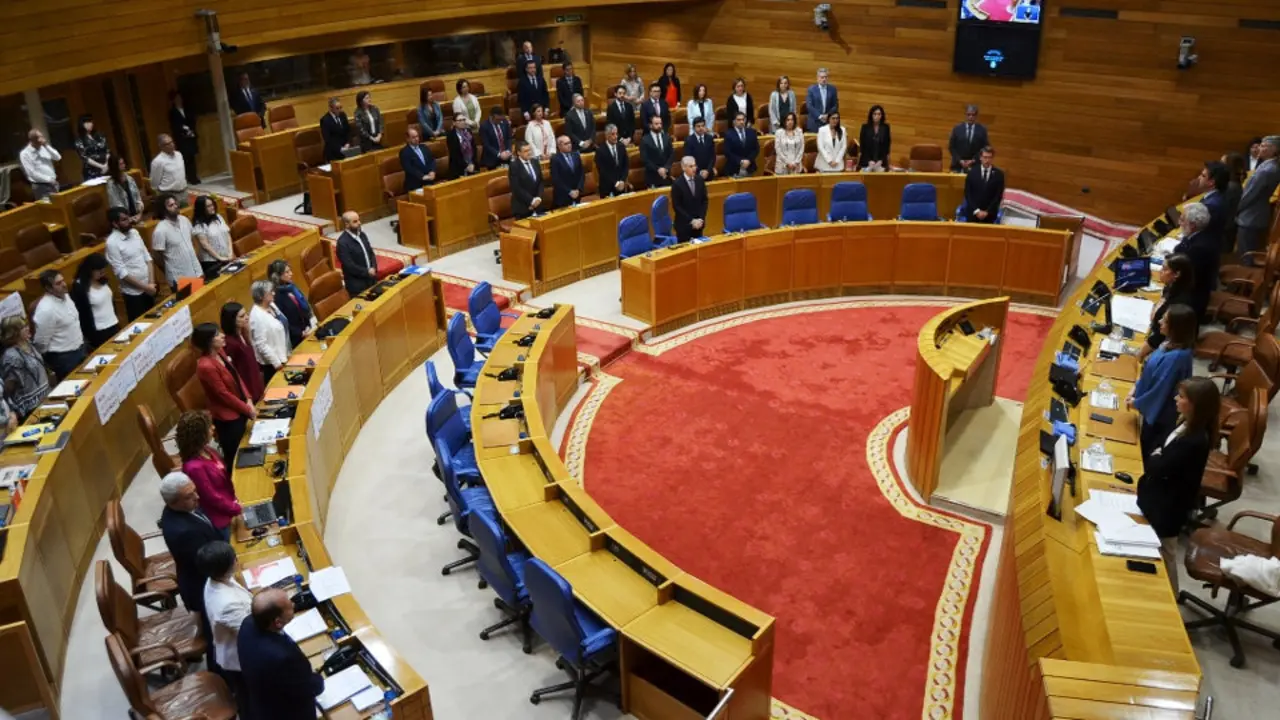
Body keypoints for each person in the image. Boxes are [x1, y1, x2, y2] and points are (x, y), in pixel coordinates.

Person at [1136, 377, 1219, 593]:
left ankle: (1172, 596)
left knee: (1167, 552)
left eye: (1181, 397)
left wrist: (1156, 457)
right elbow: (1159, 449)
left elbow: (1159, 465)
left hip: (1169, 508)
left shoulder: (1195, 440)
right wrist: (1158, 456)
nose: (1175, 399)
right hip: (1159, 496)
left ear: (1195, 405)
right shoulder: (1184, 423)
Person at [238, 588, 326, 720]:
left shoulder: (248, 623)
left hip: (261, 701)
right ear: (277, 622)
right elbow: (308, 687)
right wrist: (319, 680)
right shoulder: (283, 658)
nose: (294, 605)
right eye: (289, 606)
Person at [1128, 304, 1195, 457]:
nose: (1159, 322)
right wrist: (1136, 388)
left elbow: (1159, 389)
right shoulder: (1167, 344)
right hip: (1152, 408)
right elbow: (1150, 373)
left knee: (1145, 452)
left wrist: (1137, 402)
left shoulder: (1176, 357)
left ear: (1175, 328)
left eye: (1164, 321)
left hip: (1161, 417)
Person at [158, 471, 223, 614]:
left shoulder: (183, 507)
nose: (197, 497)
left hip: (211, 560)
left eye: (195, 491)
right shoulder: (184, 533)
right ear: (172, 502)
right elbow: (210, 564)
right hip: (206, 588)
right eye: (189, 496)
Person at [197, 541, 252, 706]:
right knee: (249, 699)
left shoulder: (215, 578)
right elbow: (249, 632)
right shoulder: (226, 604)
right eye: (234, 558)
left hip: (236, 645)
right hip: (240, 659)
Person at [192, 322, 255, 459]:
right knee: (239, 457)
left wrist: (248, 398)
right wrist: (246, 408)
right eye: (217, 335)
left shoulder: (220, 351)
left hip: (240, 404)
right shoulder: (205, 366)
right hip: (228, 418)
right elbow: (223, 395)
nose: (222, 335)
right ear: (208, 341)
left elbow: (235, 375)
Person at [177, 410, 241, 538]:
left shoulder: (207, 450)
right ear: (199, 434)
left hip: (231, 503)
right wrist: (236, 508)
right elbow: (212, 497)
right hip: (221, 520)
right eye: (209, 426)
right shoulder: (194, 468)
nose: (213, 427)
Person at [1140, 253, 1195, 362]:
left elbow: (1160, 337)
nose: (1160, 271)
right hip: (1154, 335)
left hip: (1162, 348)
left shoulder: (1180, 302)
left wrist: (1139, 354)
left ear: (1177, 274)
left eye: (1165, 269)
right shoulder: (1172, 286)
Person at [31, 270, 86, 380]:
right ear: (48, 288)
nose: (64, 284)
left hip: (80, 349)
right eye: (58, 283)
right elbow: (41, 342)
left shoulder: (66, 296)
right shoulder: (46, 309)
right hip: (64, 358)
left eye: (63, 280)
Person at [105, 208, 157, 320]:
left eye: (128, 217)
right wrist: (146, 287)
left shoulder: (135, 232)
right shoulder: (112, 243)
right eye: (124, 219)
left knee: (154, 320)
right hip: (133, 293)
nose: (129, 220)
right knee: (140, 324)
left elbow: (147, 258)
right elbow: (122, 273)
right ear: (115, 224)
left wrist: (151, 283)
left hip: (149, 286)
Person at [1235, 135, 1280, 259]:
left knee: (1246, 255)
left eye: (1264, 146)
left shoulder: (1267, 170)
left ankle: (1246, 276)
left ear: (1274, 150)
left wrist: (1236, 209)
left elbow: (1250, 195)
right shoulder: (1269, 166)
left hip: (1251, 216)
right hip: (1257, 214)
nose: (1260, 148)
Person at [0, 316, 51, 419]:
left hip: (45, 399)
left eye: (27, 325)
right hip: (31, 409)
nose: (28, 328)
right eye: (23, 327)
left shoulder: (28, 344)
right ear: (13, 333)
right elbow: (9, 389)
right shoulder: (11, 356)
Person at [1172, 202, 1216, 318]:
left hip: (1190, 302)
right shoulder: (1202, 235)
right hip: (1196, 291)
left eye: (1182, 220)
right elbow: (1179, 248)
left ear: (1192, 225)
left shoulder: (1198, 249)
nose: (1179, 223)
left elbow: (1182, 277)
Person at [151, 193, 202, 290]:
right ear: (163, 210)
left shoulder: (184, 220)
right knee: (187, 303)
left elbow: (191, 241)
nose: (175, 206)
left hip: (196, 270)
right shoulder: (160, 230)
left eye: (175, 203)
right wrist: (169, 270)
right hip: (179, 277)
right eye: (171, 205)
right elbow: (157, 256)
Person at [69, 254, 119, 350]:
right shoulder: (79, 287)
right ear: (89, 269)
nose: (102, 272)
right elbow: (81, 313)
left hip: (114, 324)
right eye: (99, 270)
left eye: (103, 269)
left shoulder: (103, 280)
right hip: (98, 332)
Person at [220, 302, 264, 403]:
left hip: (257, 386)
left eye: (246, 314)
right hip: (248, 393)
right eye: (242, 316)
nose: (247, 317)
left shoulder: (242, 334)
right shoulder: (230, 344)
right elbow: (234, 374)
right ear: (232, 320)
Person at [249, 280, 291, 384]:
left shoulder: (271, 304)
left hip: (284, 354)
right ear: (261, 296)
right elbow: (261, 345)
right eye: (270, 292)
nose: (273, 293)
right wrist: (276, 363)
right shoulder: (257, 317)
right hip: (273, 365)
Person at [268, 260, 316, 349]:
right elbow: (282, 321)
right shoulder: (275, 296)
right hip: (295, 338)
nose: (291, 273)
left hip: (307, 329)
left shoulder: (291, 286)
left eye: (290, 270)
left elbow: (303, 307)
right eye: (287, 272)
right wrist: (300, 333)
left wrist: (308, 326)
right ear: (277, 277)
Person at [192, 195, 234, 279]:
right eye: (208, 206)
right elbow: (205, 245)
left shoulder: (218, 217)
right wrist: (220, 258)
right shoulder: (199, 225)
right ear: (201, 209)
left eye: (212, 205)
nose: (212, 207)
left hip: (226, 256)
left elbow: (227, 234)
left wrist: (230, 251)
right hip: (212, 262)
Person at [337, 211, 379, 295]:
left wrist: (374, 267)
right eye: (355, 221)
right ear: (347, 224)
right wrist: (367, 271)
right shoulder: (342, 243)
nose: (359, 223)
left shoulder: (362, 234)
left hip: (371, 278)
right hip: (357, 284)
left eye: (359, 220)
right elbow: (349, 266)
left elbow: (371, 253)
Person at [963, 146, 1004, 223]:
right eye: (985, 157)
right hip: (973, 213)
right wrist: (976, 210)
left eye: (989, 157)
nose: (987, 160)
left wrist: (987, 211)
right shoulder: (972, 173)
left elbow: (998, 196)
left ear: (992, 159)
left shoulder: (999, 175)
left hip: (990, 215)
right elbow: (968, 194)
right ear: (980, 158)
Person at [671, 157, 708, 243]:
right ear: (683, 167)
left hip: (699, 225)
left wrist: (701, 219)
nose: (694, 169)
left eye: (695, 166)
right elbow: (677, 207)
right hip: (684, 226)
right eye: (691, 166)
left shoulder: (700, 180)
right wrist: (691, 220)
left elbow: (704, 201)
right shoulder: (677, 184)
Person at [169, 92, 200, 185]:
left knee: (192, 157)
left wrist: (191, 130)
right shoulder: (172, 112)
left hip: (191, 136)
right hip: (182, 138)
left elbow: (192, 120)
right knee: (185, 158)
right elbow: (175, 125)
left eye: (180, 98)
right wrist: (184, 130)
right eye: (177, 98)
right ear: (174, 100)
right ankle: (189, 177)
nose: (179, 100)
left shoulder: (187, 109)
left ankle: (194, 176)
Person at [19, 129, 60, 200]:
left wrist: (46, 146)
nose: (43, 139)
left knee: (58, 206)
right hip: (41, 186)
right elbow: (32, 173)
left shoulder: (44, 147)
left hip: (53, 184)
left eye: (42, 137)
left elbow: (58, 157)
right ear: (33, 140)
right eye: (40, 137)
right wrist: (49, 180)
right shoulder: (25, 153)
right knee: (48, 209)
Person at [508, 141, 545, 219]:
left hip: (538, 205)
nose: (529, 153)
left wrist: (538, 198)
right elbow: (517, 188)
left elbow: (540, 181)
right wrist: (531, 201)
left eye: (530, 150)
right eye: (525, 151)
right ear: (518, 153)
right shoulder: (514, 166)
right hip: (523, 207)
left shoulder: (535, 161)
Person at [948, 104, 989, 172]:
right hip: (957, 165)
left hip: (975, 165)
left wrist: (973, 160)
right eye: (968, 114)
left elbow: (984, 148)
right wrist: (960, 160)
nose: (970, 117)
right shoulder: (957, 129)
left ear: (976, 116)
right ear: (965, 115)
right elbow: (952, 147)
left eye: (973, 115)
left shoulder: (982, 130)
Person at [105, 154, 143, 224]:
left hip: (136, 216)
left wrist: (139, 214)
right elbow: (116, 205)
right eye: (120, 164)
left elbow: (138, 198)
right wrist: (128, 219)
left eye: (123, 163)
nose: (123, 166)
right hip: (123, 221)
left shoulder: (130, 179)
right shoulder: (111, 184)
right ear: (114, 167)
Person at [149, 135, 187, 203]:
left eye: (172, 142)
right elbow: (154, 182)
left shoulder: (179, 154)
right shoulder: (158, 161)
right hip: (169, 195)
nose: (172, 145)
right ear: (161, 146)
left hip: (183, 192)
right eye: (168, 144)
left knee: (186, 212)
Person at [595, 124, 630, 197]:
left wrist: (622, 181)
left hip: (621, 186)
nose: (616, 136)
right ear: (607, 136)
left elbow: (626, 165)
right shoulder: (600, 151)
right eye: (613, 134)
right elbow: (603, 171)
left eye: (616, 134)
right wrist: (616, 183)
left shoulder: (621, 147)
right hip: (607, 188)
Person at [550, 135, 584, 210]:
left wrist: (578, 189)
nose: (569, 145)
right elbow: (556, 179)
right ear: (559, 146)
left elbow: (581, 174)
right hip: (563, 197)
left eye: (569, 143)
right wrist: (569, 192)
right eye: (566, 144)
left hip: (577, 194)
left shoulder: (576, 155)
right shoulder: (555, 159)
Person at [399, 127, 437, 193]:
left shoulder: (424, 147)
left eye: (417, 136)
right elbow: (409, 168)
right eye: (413, 137)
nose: (416, 139)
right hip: (415, 184)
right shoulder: (404, 152)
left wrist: (432, 171)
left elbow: (432, 160)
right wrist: (422, 176)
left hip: (429, 182)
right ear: (408, 139)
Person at [640, 114, 674, 188]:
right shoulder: (645, 140)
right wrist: (658, 169)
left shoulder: (667, 137)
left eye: (660, 123)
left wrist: (666, 168)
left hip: (666, 175)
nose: (659, 126)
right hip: (652, 176)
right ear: (650, 125)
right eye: (656, 124)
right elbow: (645, 159)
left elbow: (671, 154)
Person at [724, 113, 760, 178]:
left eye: (743, 120)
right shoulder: (728, 134)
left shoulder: (751, 132)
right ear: (734, 121)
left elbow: (756, 149)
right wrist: (740, 161)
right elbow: (727, 152)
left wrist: (749, 160)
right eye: (739, 120)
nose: (741, 122)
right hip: (734, 168)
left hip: (750, 167)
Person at [74, 114, 109, 182]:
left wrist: (106, 164)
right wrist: (101, 167)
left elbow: (107, 150)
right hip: (91, 170)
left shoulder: (100, 135)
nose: (90, 124)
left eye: (91, 122)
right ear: (82, 124)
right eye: (87, 122)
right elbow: (85, 157)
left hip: (107, 167)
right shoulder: (79, 140)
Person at [805, 68, 839, 133]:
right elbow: (809, 106)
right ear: (817, 78)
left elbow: (835, 105)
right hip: (814, 122)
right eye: (822, 77)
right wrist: (820, 116)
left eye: (826, 77)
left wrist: (828, 115)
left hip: (828, 121)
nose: (824, 79)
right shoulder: (811, 89)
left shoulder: (832, 89)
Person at [858, 105, 891, 171]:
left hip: (880, 163)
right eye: (875, 114)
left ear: (882, 116)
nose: (877, 116)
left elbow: (886, 147)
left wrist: (881, 161)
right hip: (866, 162)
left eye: (879, 114)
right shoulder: (865, 127)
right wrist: (869, 161)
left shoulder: (886, 127)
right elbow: (863, 147)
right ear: (871, 115)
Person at [320, 97, 352, 162]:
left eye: (341, 107)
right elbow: (328, 139)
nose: (340, 110)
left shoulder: (343, 115)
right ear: (331, 108)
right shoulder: (325, 120)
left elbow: (348, 131)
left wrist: (348, 143)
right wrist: (340, 148)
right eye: (337, 108)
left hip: (346, 148)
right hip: (333, 152)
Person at [446, 113, 477, 177]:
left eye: (464, 120)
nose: (463, 122)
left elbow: (474, 149)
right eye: (460, 120)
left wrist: (472, 164)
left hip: (472, 166)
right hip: (458, 169)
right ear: (454, 123)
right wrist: (466, 166)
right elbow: (455, 155)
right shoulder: (451, 136)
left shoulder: (468, 131)